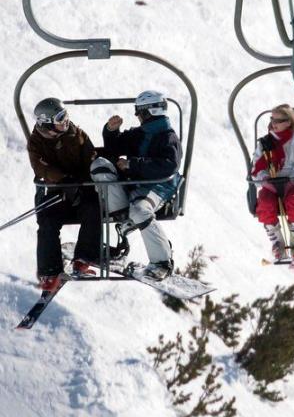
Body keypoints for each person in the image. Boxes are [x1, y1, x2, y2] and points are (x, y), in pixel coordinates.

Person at [89, 90, 182, 280]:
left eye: (139, 111)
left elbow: (168, 166)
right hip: (134, 185)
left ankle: (162, 262)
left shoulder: (168, 137)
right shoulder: (140, 133)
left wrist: (133, 164)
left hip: (157, 187)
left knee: (140, 211)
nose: (136, 115)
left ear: (149, 112)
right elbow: (114, 148)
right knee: (101, 168)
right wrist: (111, 132)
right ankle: (123, 224)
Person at [27, 98, 100, 290]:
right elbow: (41, 167)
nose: (66, 120)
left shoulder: (76, 134)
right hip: (56, 191)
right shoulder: (36, 142)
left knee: (93, 208)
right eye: (60, 118)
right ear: (47, 121)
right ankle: (49, 272)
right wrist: (63, 179)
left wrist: (84, 180)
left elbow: (91, 158)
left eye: (66, 115)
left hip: (81, 189)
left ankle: (83, 259)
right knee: (47, 221)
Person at [251, 104, 294, 262]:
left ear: (289, 122)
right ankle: (277, 241)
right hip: (271, 184)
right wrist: (264, 177)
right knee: (264, 202)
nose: (273, 123)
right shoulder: (265, 143)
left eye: (278, 120)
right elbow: (256, 164)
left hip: (292, 183)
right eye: (272, 119)